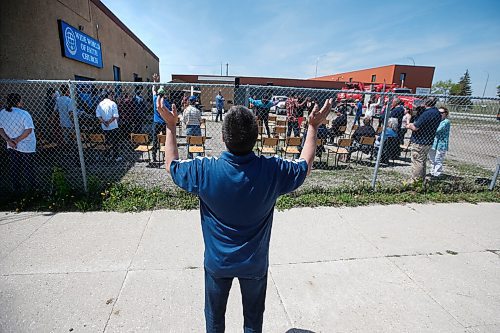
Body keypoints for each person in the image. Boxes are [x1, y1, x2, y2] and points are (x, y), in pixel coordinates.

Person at [156, 95, 332, 333]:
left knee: (215, 318)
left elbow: (172, 165)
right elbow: (304, 165)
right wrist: (312, 127)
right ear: (256, 136)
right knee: (253, 319)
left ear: (223, 138)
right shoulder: (272, 170)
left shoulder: (205, 170)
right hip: (254, 265)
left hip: (218, 264)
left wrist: (170, 125)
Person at [0, 93, 37, 192]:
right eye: (21, 100)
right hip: (26, 145)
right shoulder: (24, 113)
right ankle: (32, 188)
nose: (22, 102)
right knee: (28, 167)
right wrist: (16, 140)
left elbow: (1, 129)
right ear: (17, 102)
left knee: (15, 167)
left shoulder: (2, 113)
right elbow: (28, 130)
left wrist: (9, 140)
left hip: (12, 145)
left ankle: (16, 188)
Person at [406, 97, 442, 182]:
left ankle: (415, 181)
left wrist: (408, 125)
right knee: (422, 161)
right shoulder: (436, 112)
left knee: (417, 161)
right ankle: (421, 180)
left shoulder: (427, 113)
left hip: (420, 141)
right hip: (428, 140)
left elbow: (415, 127)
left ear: (426, 103)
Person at [151, 74, 172, 162]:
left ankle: (154, 156)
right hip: (164, 122)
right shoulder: (166, 103)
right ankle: (164, 154)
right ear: (164, 94)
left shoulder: (155, 99)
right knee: (164, 139)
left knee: (155, 139)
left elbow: (153, 90)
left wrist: (155, 81)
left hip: (156, 122)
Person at [96, 90, 121, 161]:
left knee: (106, 142)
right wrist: (109, 122)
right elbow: (115, 116)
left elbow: (98, 116)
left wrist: (104, 122)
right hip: (113, 126)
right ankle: (116, 157)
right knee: (115, 142)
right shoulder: (112, 103)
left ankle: (107, 156)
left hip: (104, 127)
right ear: (109, 96)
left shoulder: (100, 104)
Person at [428, 107, 451, 177]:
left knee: (438, 159)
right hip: (433, 142)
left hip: (441, 143)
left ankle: (437, 174)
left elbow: (438, 130)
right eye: (439, 113)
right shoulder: (436, 120)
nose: (440, 114)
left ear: (445, 114)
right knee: (432, 158)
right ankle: (432, 172)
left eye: (441, 113)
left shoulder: (446, 121)